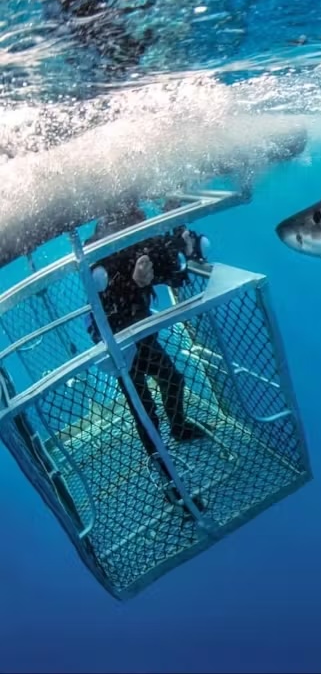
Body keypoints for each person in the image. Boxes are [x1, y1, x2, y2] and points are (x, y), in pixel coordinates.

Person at [86, 202, 211, 514]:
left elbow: (176, 276)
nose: (139, 217)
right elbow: (99, 286)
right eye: (131, 214)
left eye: (137, 213)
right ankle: (173, 485)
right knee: (145, 412)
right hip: (117, 342)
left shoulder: (144, 240)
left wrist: (185, 248)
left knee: (171, 381)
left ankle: (179, 427)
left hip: (142, 334)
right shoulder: (99, 250)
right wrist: (134, 281)